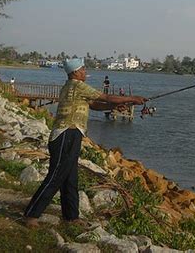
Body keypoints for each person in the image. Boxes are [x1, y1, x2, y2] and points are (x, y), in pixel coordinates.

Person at [23, 58, 146, 227]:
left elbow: (94, 105)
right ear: (75, 72)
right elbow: (106, 96)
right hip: (67, 133)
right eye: (82, 69)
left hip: (71, 134)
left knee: (70, 178)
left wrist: (114, 107)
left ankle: (71, 217)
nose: (84, 72)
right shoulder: (77, 85)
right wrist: (131, 99)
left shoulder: (71, 87)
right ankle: (32, 214)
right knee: (56, 176)